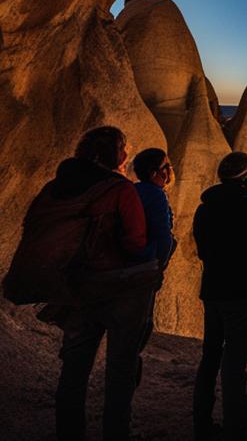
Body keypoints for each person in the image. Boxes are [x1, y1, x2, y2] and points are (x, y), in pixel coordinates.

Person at [30, 127, 154, 441]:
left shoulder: (60, 186)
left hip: (77, 289)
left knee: (73, 370)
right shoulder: (119, 190)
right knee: (120, 370)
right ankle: (116, 433)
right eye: (123, 148)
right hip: (116, 289)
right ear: (112, 153)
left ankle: (68, 433)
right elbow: (136, 241)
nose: (127, 154)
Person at [191, 152, 247, 440]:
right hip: (242, 292)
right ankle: (237, 427)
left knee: (210, 357)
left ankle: (201, 422)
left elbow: (203, 251)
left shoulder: (204, 210)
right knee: (234, 360)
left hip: (213, 290)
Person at [129, 147, 177, 386]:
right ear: (154, 173)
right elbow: (163, 236)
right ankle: (126, 375)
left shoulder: (134, 190)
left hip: (129, 264)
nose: (170, 171)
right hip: (145, 267)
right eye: (166, 167)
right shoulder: (156, 195)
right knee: (140, 323)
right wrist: (160, 265)